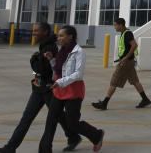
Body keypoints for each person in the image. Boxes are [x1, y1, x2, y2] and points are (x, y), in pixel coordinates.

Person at [0, 22, 79, 153]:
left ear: (44, 32)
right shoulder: (44, 46)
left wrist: (33, 60)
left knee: (54, 117)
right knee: (30, 118)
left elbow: (43, 69)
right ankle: (10, 147)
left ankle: (76, 136)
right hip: (39, 88)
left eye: (37, 31)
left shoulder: (49, 47)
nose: (34, 33)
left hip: (48, 89)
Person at [39, 25, 104, 153]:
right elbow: (59, 69)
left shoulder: (79, 52)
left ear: (70, 37)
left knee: (72, 124)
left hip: (73, 91)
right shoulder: (61, 51)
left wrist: (61, 81)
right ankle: (44, 150)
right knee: (51, 120)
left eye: (62, 35)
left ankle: (96, 135)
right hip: (59, 90)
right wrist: (52, 59)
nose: (59, 38)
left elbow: (78, 74)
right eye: (58, 36)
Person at [92, 18, 151, 110]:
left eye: (115, 25)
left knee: (114, 82)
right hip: (129, 62)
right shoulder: (124, 33)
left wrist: (126, 57)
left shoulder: (127, 34)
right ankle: (145, 99)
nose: (114, 27)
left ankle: (104, 103)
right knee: (135, 81)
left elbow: (134, 45)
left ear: (121, 25)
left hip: (126, 62)